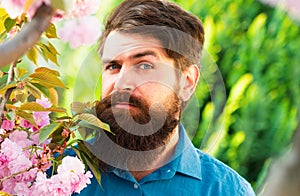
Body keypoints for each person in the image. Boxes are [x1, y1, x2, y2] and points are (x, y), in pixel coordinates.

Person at [75, 0, 255, 195]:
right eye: (113, 66)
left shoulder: (227, 191)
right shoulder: (53, 172)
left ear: (187, 82)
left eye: (144, 65)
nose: (120, 83)